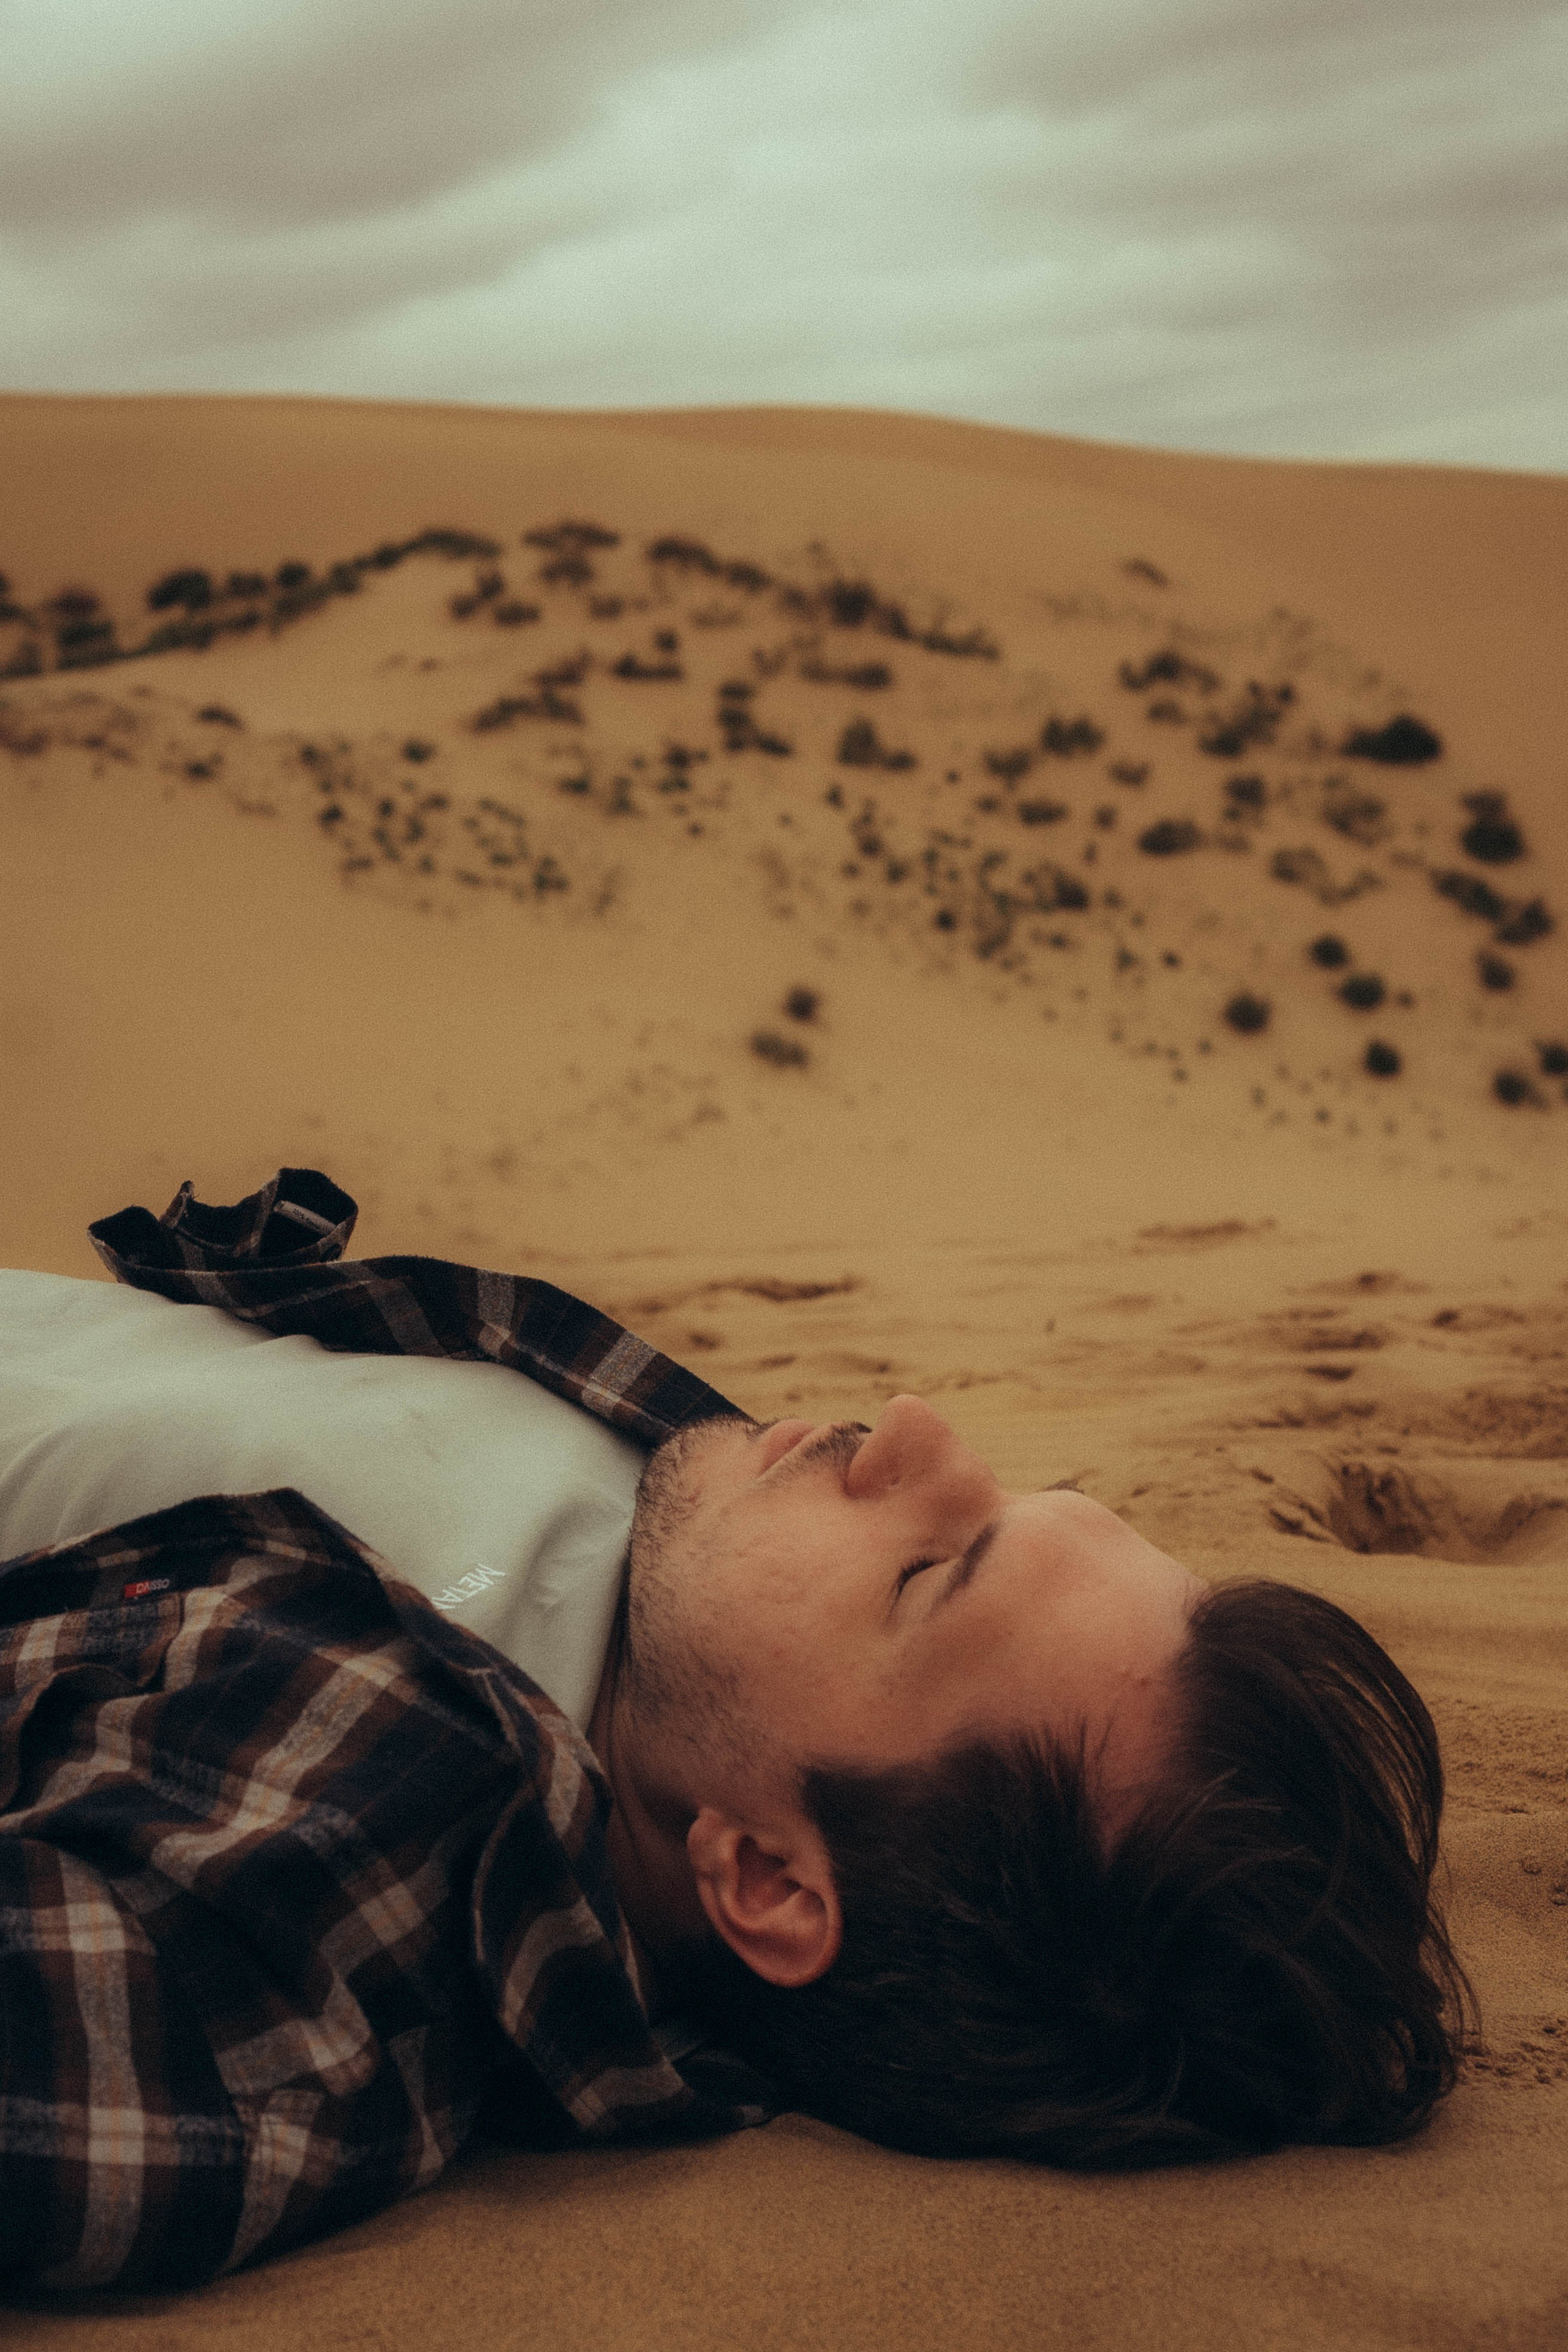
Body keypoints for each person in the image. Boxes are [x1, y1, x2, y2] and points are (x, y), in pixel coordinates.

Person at [0, 1169, 1472, 2292]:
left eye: (927, 1573)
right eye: (1010, 1497)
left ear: (765, 1880)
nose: (913, 1428)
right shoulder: (708, 1587)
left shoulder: (362, 1854)